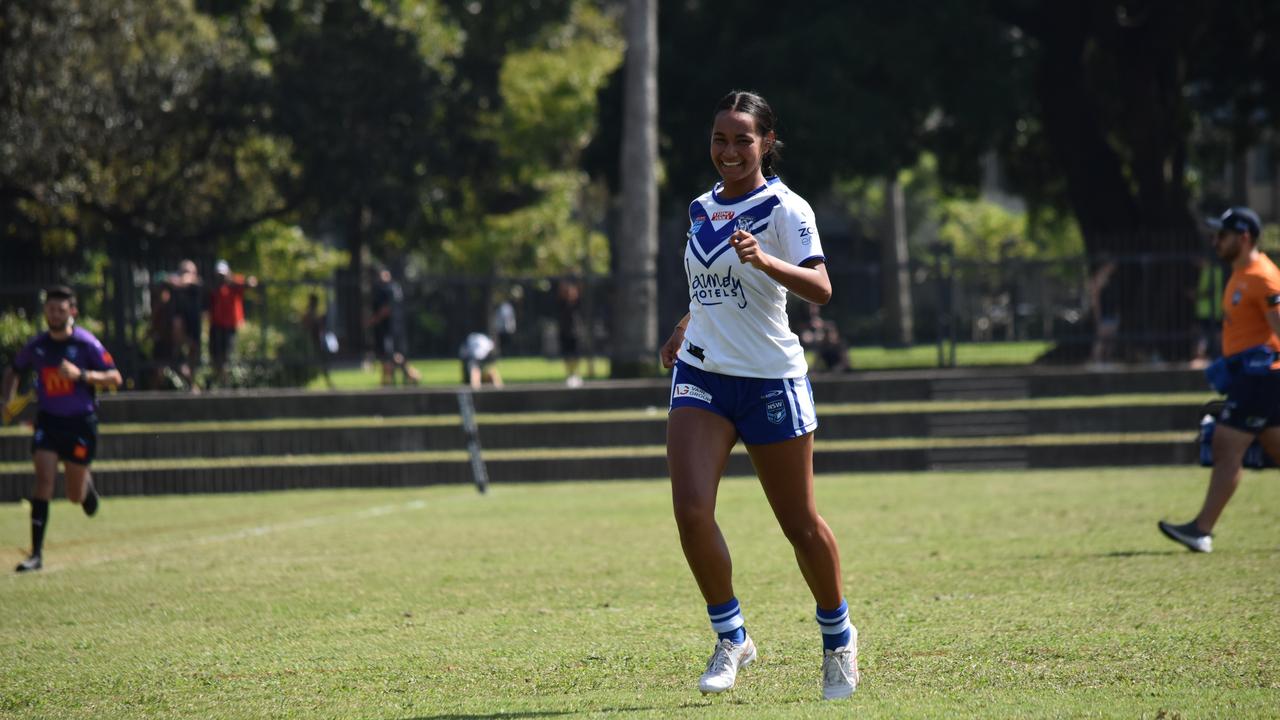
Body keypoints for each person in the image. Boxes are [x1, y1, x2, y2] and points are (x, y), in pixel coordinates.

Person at [658, 90, 857, 701]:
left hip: (770, 379)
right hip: (703, 374)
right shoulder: (699, 208)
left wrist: (767, 261)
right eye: (720, 139)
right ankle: (731, 636)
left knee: (799, 525)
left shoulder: (787, 209)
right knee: (692, 512)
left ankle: (838, 637)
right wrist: (683, 328)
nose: (729, 151)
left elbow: (821, 289)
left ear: (766, 143)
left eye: (742, 139)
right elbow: (707, 287)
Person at [1159, 207, 1280, 553]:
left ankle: (1201, 529)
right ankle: (1201, 529)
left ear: (1243, 238)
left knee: (1226, 445)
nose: (1216, 241)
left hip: (1263, 378)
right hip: (1250, 377)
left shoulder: (1263, 277)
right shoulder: (1239, 274)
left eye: (1222, 235)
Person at [1, 285, 122, 572]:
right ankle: (36, 554)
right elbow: (14, 370)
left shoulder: (86, 344)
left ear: (72, 311)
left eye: (60, 309)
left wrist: (82, 375)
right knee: (43, 481)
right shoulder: (38, 345)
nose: (54, 314)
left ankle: (86, 490)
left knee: (73, 495)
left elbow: (115, 377)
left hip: (81, 423)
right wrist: (7, 399)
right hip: (49, 422)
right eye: (50, 309)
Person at [207, 260, 257, 388]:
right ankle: (219, 380)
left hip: (229, 326)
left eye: (223, 275)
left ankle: (224, 382)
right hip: (216, 325)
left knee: (225, 355)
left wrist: (249, 281)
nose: (221, 277)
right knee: (214, 355)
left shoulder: (234, 283)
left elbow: (250, 283)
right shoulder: (214, 286)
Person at [368, 268, 421, 386]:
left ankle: (409, 373)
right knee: (390, 355)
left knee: (390, 355)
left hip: (387, 328)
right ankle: (388, 380)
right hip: (396, 327)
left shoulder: (384, 290)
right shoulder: (396, 288)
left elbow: (386, 309)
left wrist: (373, 320)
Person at [168, 259, 203, 391]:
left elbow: (186, 280)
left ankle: (192, 383)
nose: (186, 274)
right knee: (177, 359)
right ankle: (191, 383)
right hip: (180, 326)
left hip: (194, 325)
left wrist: (179, 280)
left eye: (189, 271)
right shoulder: (176, 283)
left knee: (193, 355)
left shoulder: (196, 283)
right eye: (183, 271)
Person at [301, 292, 336, 390]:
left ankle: (328, 381)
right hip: (311, 341)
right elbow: (306, 326)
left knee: (322, 362)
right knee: (313, 363)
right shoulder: (310, 313)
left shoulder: (314, 313)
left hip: (318, 341)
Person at [556, 278, 586, 387]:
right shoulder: (562, 304)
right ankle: (569, 375)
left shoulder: (578, 304)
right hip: (565, 332)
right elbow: (561, 291)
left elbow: (581, 289)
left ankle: (576, 375)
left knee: (576, 356)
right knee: (567, 356)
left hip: (576, 332)